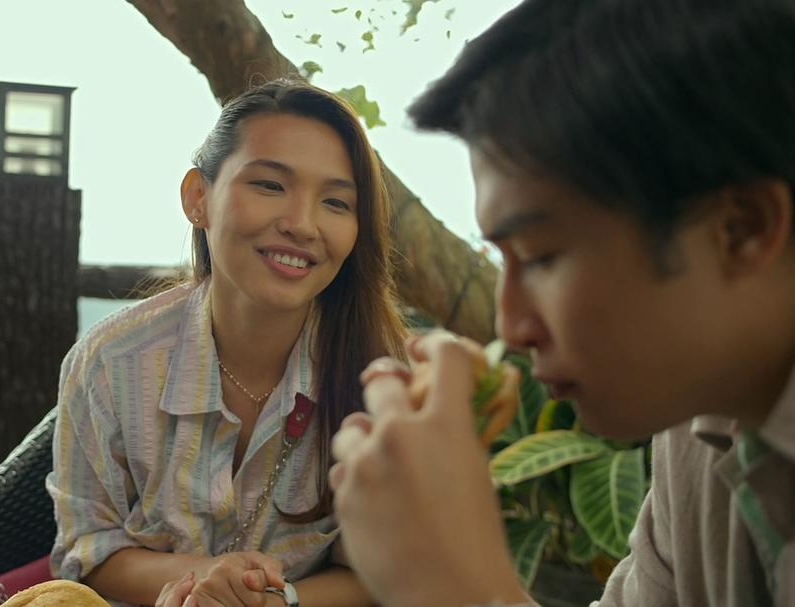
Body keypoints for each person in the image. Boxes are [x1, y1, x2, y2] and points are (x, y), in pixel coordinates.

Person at [329, 0, 795, 605]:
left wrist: (447, 586)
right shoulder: (699, 427)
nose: (511, 325)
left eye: (542, 255)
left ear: (742, 229)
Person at [46, 78, 408, 607]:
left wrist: (273, 602)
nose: (302, 225)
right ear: (199, 198)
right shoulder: (110, 363)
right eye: (270, 185)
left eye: (335, 202)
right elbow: (87, 550)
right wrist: (211, 579)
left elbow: (384, 572)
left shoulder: (384, 379)